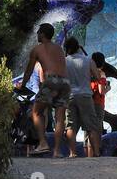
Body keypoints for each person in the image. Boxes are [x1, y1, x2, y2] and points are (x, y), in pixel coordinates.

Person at [20, 24, 70, 157]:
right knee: (60, 118)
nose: (36, 34)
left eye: (38, 32)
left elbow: (29, 70)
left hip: (51, 81)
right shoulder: (59, 48)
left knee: (36, 112)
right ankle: (57, 151)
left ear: (42, 34)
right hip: (65, 82)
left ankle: (43, 143)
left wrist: (23, 85)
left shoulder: (37, 49)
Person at [63, 37, 102, 159]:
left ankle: (72, 153)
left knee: (71, 125)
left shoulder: (64, 61)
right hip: (85, 95)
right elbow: (97, 77)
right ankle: (96, 152)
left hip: (70, 96)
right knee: (91, 125)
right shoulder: (88, 60)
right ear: (78, 47)